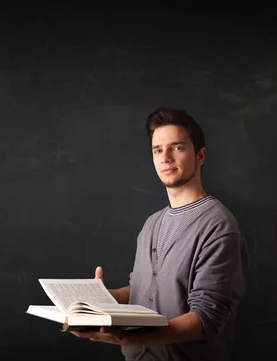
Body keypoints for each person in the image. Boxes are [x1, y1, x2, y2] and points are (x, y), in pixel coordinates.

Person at [71, 107, 249, 361]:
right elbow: (142, 290)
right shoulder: (151, 224)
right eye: (157, 150)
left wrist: (129, 336)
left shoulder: (219, 227)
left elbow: (206, 318)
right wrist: (102, 297)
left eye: (177, 148)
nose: (165, 157)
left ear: (200, 156)